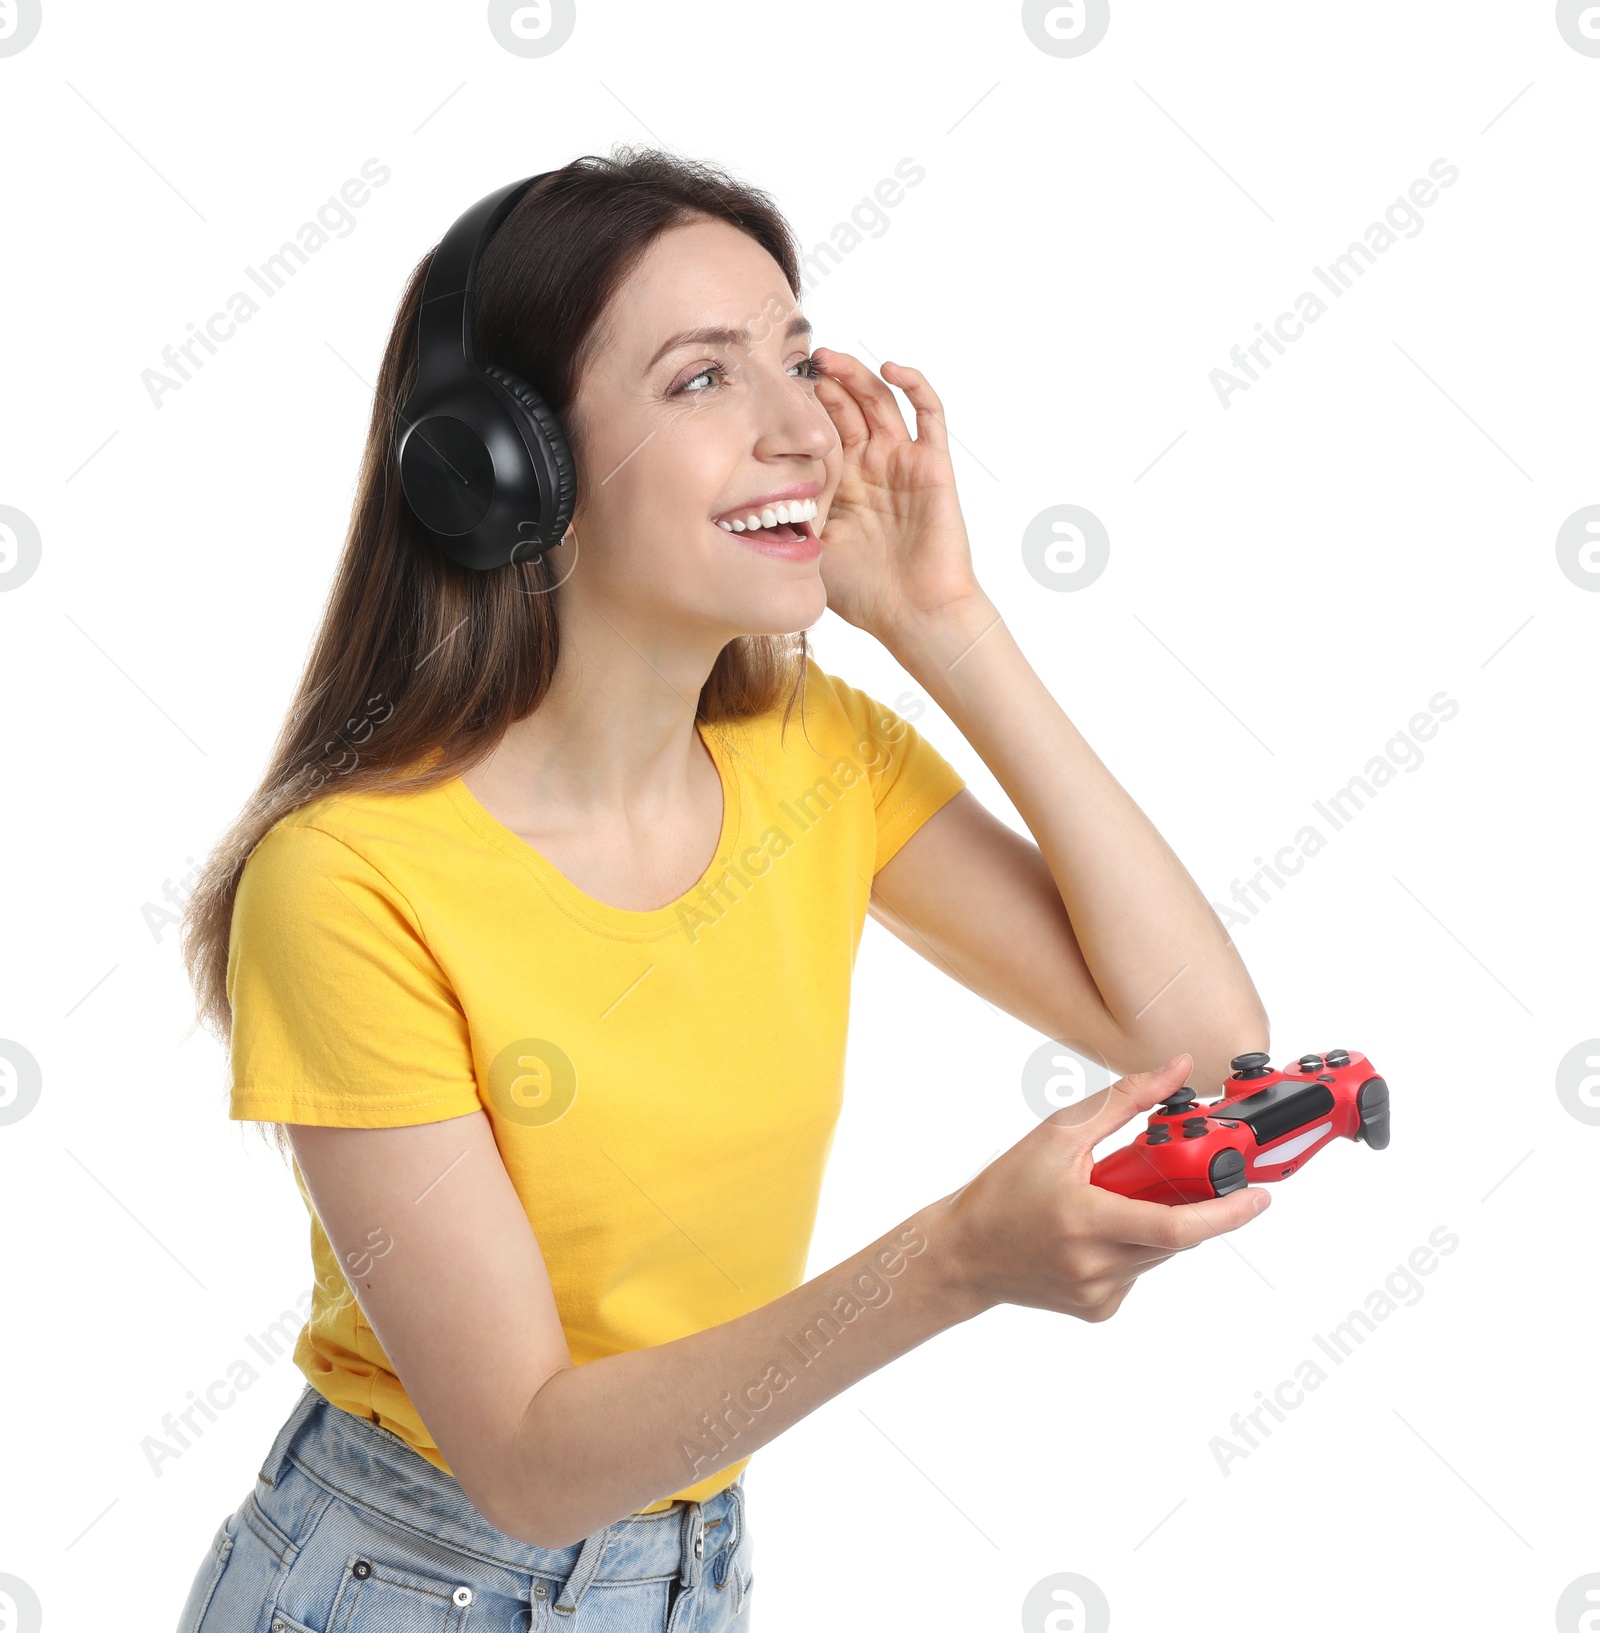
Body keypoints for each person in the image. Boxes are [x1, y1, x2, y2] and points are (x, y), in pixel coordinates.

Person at [175, 146, 1272, 1631]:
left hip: (689, 1567)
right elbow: (528, 1461)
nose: (801, 427)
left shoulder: (813, 757)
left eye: (799, 358)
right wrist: (954, 1260)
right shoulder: (345, 888)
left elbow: (1208, 1043)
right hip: (403, 1581)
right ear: (508, 465)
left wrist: (945, 621)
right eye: (702, 380)